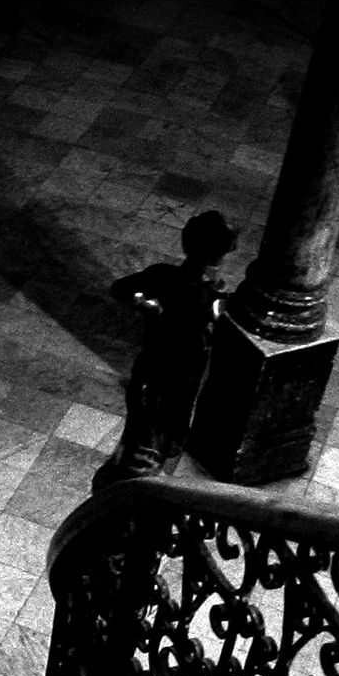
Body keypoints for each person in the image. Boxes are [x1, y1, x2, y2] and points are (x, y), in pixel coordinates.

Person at [91, 210, 238, 493]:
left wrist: (145, 303)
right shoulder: (207, 294)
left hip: (163, 370)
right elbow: (123, 290)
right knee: (150, 437)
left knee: (151, 430)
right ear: (218, 256)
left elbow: (122, 289)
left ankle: (134, 476)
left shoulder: (168, 277)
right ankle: (128, 487)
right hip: (170, 373)